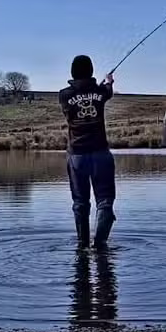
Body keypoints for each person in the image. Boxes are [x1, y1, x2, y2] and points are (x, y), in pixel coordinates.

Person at [59, 55, 116, 250]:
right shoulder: (100, 92)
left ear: (72, 72)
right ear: (91, 71)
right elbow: (108, 91)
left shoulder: (64, 95)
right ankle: (100, 245)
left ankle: (82, 245)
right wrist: (109, 81)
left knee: (80, 203)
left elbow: (80, 95)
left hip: (77, 156)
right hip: (101, 153)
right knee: (105, 201)